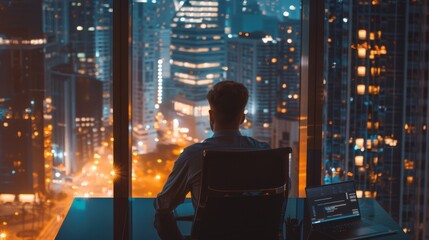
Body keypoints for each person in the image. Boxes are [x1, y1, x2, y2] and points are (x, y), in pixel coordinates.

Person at [153, 81, 270, 239]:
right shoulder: (265, 154)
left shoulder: (194, 155)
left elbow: (163, 205)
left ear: (211, 116)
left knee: (160, 218)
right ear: (242, 118)